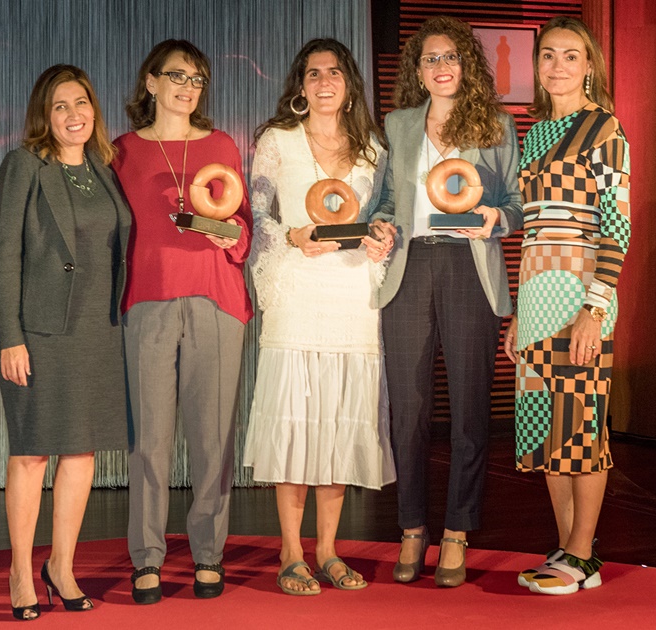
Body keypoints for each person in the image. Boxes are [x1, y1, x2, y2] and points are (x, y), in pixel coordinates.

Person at [370, 16, 522, 588]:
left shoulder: (497, 124)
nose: (440, 68)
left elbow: (517, 203)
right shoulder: (399, 124)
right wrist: (381, 227)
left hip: (468, 267)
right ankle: (412, 527)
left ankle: (457, 529)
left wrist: (495, 219)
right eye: (430, 59)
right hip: (409, 268)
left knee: (469, 407)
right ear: (417, 70)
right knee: (407, 409)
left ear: (467, 65)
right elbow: (386, 200)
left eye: (450, 57)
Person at [242, 38, 396, 596]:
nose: (324, 82)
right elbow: (255, 216)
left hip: (352, 295)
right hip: (298, 292)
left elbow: (383, 215)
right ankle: (290, 552)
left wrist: (383, 236)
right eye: (313, 74)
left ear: (349, 83)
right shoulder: (276, 140)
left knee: (337, 421)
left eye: (334, 72)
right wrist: (290, 235)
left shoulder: (374, 148)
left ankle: (328, 550)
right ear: (300, 86)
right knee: (295, 425)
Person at [0, 64, 131, 620]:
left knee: (82, 452)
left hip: (99, 329)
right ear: (44, 117)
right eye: (60, 107)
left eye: (82, 103)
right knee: (30, 453)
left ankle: (62, 565)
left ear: (94, 109)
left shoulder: (105, 167)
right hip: (41, 332)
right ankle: (21, 571)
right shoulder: (25, 165)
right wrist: (9, 337)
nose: (74, 115)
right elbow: (3, 257)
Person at [113, 39, 252, 604]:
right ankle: (146, 557)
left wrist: (221, 230)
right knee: (148, 440)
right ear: (150, 82)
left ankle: (208, 555)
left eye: (197, 79)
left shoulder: (221, 145)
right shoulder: (121, 151)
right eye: (176, 76)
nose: (187, 87)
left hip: (217, 299)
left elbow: (243, 229)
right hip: (146, 300)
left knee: (213, 439)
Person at [503, 16, 630, 595]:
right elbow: (528, 232)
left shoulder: (603, 128)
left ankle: (583, 554)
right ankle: (567, 548)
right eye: (548, 55)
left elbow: (617, 227)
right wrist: (517, 312)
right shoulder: (530, 134)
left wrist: (594, 309)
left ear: (589, 66)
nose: (558, 65)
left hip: (581, 296)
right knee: (543, 430)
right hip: (535, 298)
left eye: (571, 56)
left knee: (580, 425)